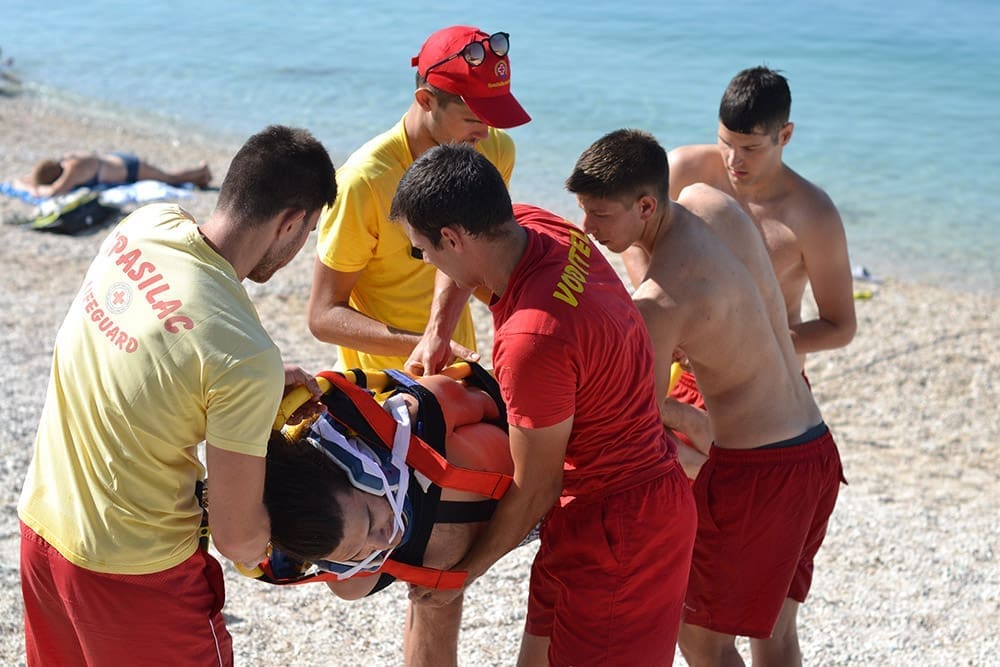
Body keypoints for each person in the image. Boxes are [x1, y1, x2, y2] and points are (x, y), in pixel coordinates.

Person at [17, 125, 337, 666]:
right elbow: (238, 541)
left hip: (42, 530)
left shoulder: (146, 225)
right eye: (306, 234)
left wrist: (250, 386)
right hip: (136, 572)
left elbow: (159, 338)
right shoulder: (241, 354)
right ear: (291, 224)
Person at [390, 144, 697, 667]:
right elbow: (459, 261)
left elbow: (536, 486)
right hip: (588, 512)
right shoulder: (538, 227)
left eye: (423, 250)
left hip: (625, 530)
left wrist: (463, 573)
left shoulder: (532, 340)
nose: (425, 262)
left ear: (453, 238)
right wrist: (438, 330)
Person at [567, 128, 845, 666]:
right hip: (814, 449)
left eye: (600, 214)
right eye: (582, 210)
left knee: (699, 639)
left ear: (645, 205)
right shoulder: (706, 199)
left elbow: (640, 430)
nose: (588, 228)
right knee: (775, 634)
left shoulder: (657, 305)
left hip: (759, 472)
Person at [622, 66, 856, 447]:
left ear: (785, 135)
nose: (733, 160)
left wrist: (759, 338)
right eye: (724, 142)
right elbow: (633, 237)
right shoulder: (683, 168)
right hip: (684, 366)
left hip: (764, 384)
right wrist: (666, 311)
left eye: (750, 148)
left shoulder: (814, 215)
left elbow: (840, 326)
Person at [308, 25, 530, 376]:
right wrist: (425, 341)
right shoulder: (363, 182)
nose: (485, 134)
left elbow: (478, 258)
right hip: (384, 384)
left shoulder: (493, 149)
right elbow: (323, 317)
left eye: (491, 119)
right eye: (473, 119)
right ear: (426, 101)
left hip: (459, 372)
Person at [264, 370, 513, 666]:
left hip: (551, 471)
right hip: (487, 518)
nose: (385, 539)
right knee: (360, 587)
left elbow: (498, 403)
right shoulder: (351, 580)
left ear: (358, 469)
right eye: (358, 553)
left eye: (371, 520)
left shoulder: (419, 417)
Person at [16, 151, 213, 197]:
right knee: (169, 178)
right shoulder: (68, 159)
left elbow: (53, 192)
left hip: (129, 169)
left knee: (170, 178)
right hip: (118, 160)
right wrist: (25, 180)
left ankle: (201, 170)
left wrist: (26, 186)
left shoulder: (72, 172)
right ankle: (200, 177)